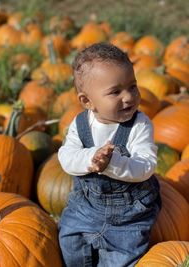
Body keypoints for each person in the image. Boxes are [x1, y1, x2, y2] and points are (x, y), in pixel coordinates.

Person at [58, 42, 161, 267]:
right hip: (84, 207)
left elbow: (146, 165)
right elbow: (66, 156)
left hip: (129, 215)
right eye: (115, 91)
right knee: (69, 242)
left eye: (132, 86)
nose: (128, 97)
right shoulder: (80, 124)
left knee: (122, 258)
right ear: (87, 101)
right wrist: (90, 159)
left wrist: (112, 163)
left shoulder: (140, 125)